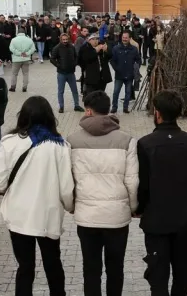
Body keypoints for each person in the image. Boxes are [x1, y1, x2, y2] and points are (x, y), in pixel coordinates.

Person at [0, 96, 74, 296]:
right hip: (47, 215)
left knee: (25, 267)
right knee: (53, 263)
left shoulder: (10, 142)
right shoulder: (60, 146)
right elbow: (66, 188)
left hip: (19, 215)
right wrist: (70, 206)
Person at [135, 90, 187, 296]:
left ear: (157, 114)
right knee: (182, 270)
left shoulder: (145, 144)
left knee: (158, 272)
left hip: (155, 219)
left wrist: (138, 208)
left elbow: (142, 183)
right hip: (184, 219)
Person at [67, 91, 138, 296]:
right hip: (117, 217)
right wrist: (132, 208)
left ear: (88, 111)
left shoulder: (72, 141)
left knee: (91, 270)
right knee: (116, 269)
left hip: (87, 217)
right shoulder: (126, 140)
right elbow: (132, 181)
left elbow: (67, 182)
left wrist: (72, 206)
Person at [50, 33, 84, 113]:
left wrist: (75, 64)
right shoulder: (57, 48)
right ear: (61, 40)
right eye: (63, 40)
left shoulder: (72, 47)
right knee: (61, 91)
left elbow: (76, 56)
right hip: (61, 73)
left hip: (71, 73)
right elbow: (52, 59)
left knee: (74, 90)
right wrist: (59, 65)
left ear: (68, 39)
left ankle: (76, 105)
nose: (65, 41)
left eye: (66, 39)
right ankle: (61, 107)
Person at [110, 32, 140, 114]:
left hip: (130, 74)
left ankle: (125, 107)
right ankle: (114, 107)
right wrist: (116, 68)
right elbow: (112, 60)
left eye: (126, 37)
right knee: (116, 92)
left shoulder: (134, 49)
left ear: (130, 38)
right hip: (119, 75)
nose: (124, 39)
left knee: (128, 92)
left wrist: (136, 68)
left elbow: (138, 60)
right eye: (123, 37)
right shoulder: (116, 48)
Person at [9, 28, 35, 92]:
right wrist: (27, 53)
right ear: (24, 32)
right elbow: (33, 49)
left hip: (16, 59)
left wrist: (19, 53)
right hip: (26, 59)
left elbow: (11, 48)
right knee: (25, 73)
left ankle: (13, 87)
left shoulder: (13, 40)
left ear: (18, 32)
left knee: (14, 74)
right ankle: (24, 87)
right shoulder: (29, 40)